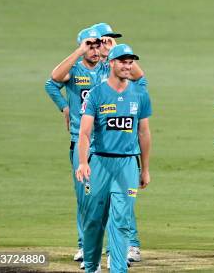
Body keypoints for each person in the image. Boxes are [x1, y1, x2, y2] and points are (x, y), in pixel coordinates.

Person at [76, 44, 152, 273]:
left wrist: (145, 169)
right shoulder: (97, 93)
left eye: (130, 62)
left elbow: (144, 133)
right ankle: (91, 266)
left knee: (121, 220)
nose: (127, 66)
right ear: (111, 63)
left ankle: (118, 269)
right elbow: (85, 132)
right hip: (99, 163)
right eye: (123, 61)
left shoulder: (139, 94)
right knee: (93, 221)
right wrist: (82, 162)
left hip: (127, 165)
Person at [44, 27, 108, 267]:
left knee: (110, 198)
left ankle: (113, 248)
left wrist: (108, 52)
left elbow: (136, 78)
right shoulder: (75, 70)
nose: (94, 49)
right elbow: (53, 80)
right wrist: (64, 106)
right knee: (85, 197)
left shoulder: (109, 68)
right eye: (89, 45)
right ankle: (85, 246)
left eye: (97, 44)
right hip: (82, 143)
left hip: (107, 144)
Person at [91, 22, 144, 265]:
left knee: (123, 206)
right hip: (98, 151)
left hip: (125, 156)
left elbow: (140, 80)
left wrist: (117, 54)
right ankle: (90, 251)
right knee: (96, 209)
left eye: (111, 39)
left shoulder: (124, 70)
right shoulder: (93, 72)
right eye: (104, 39)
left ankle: (127, 247)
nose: (107, 42)